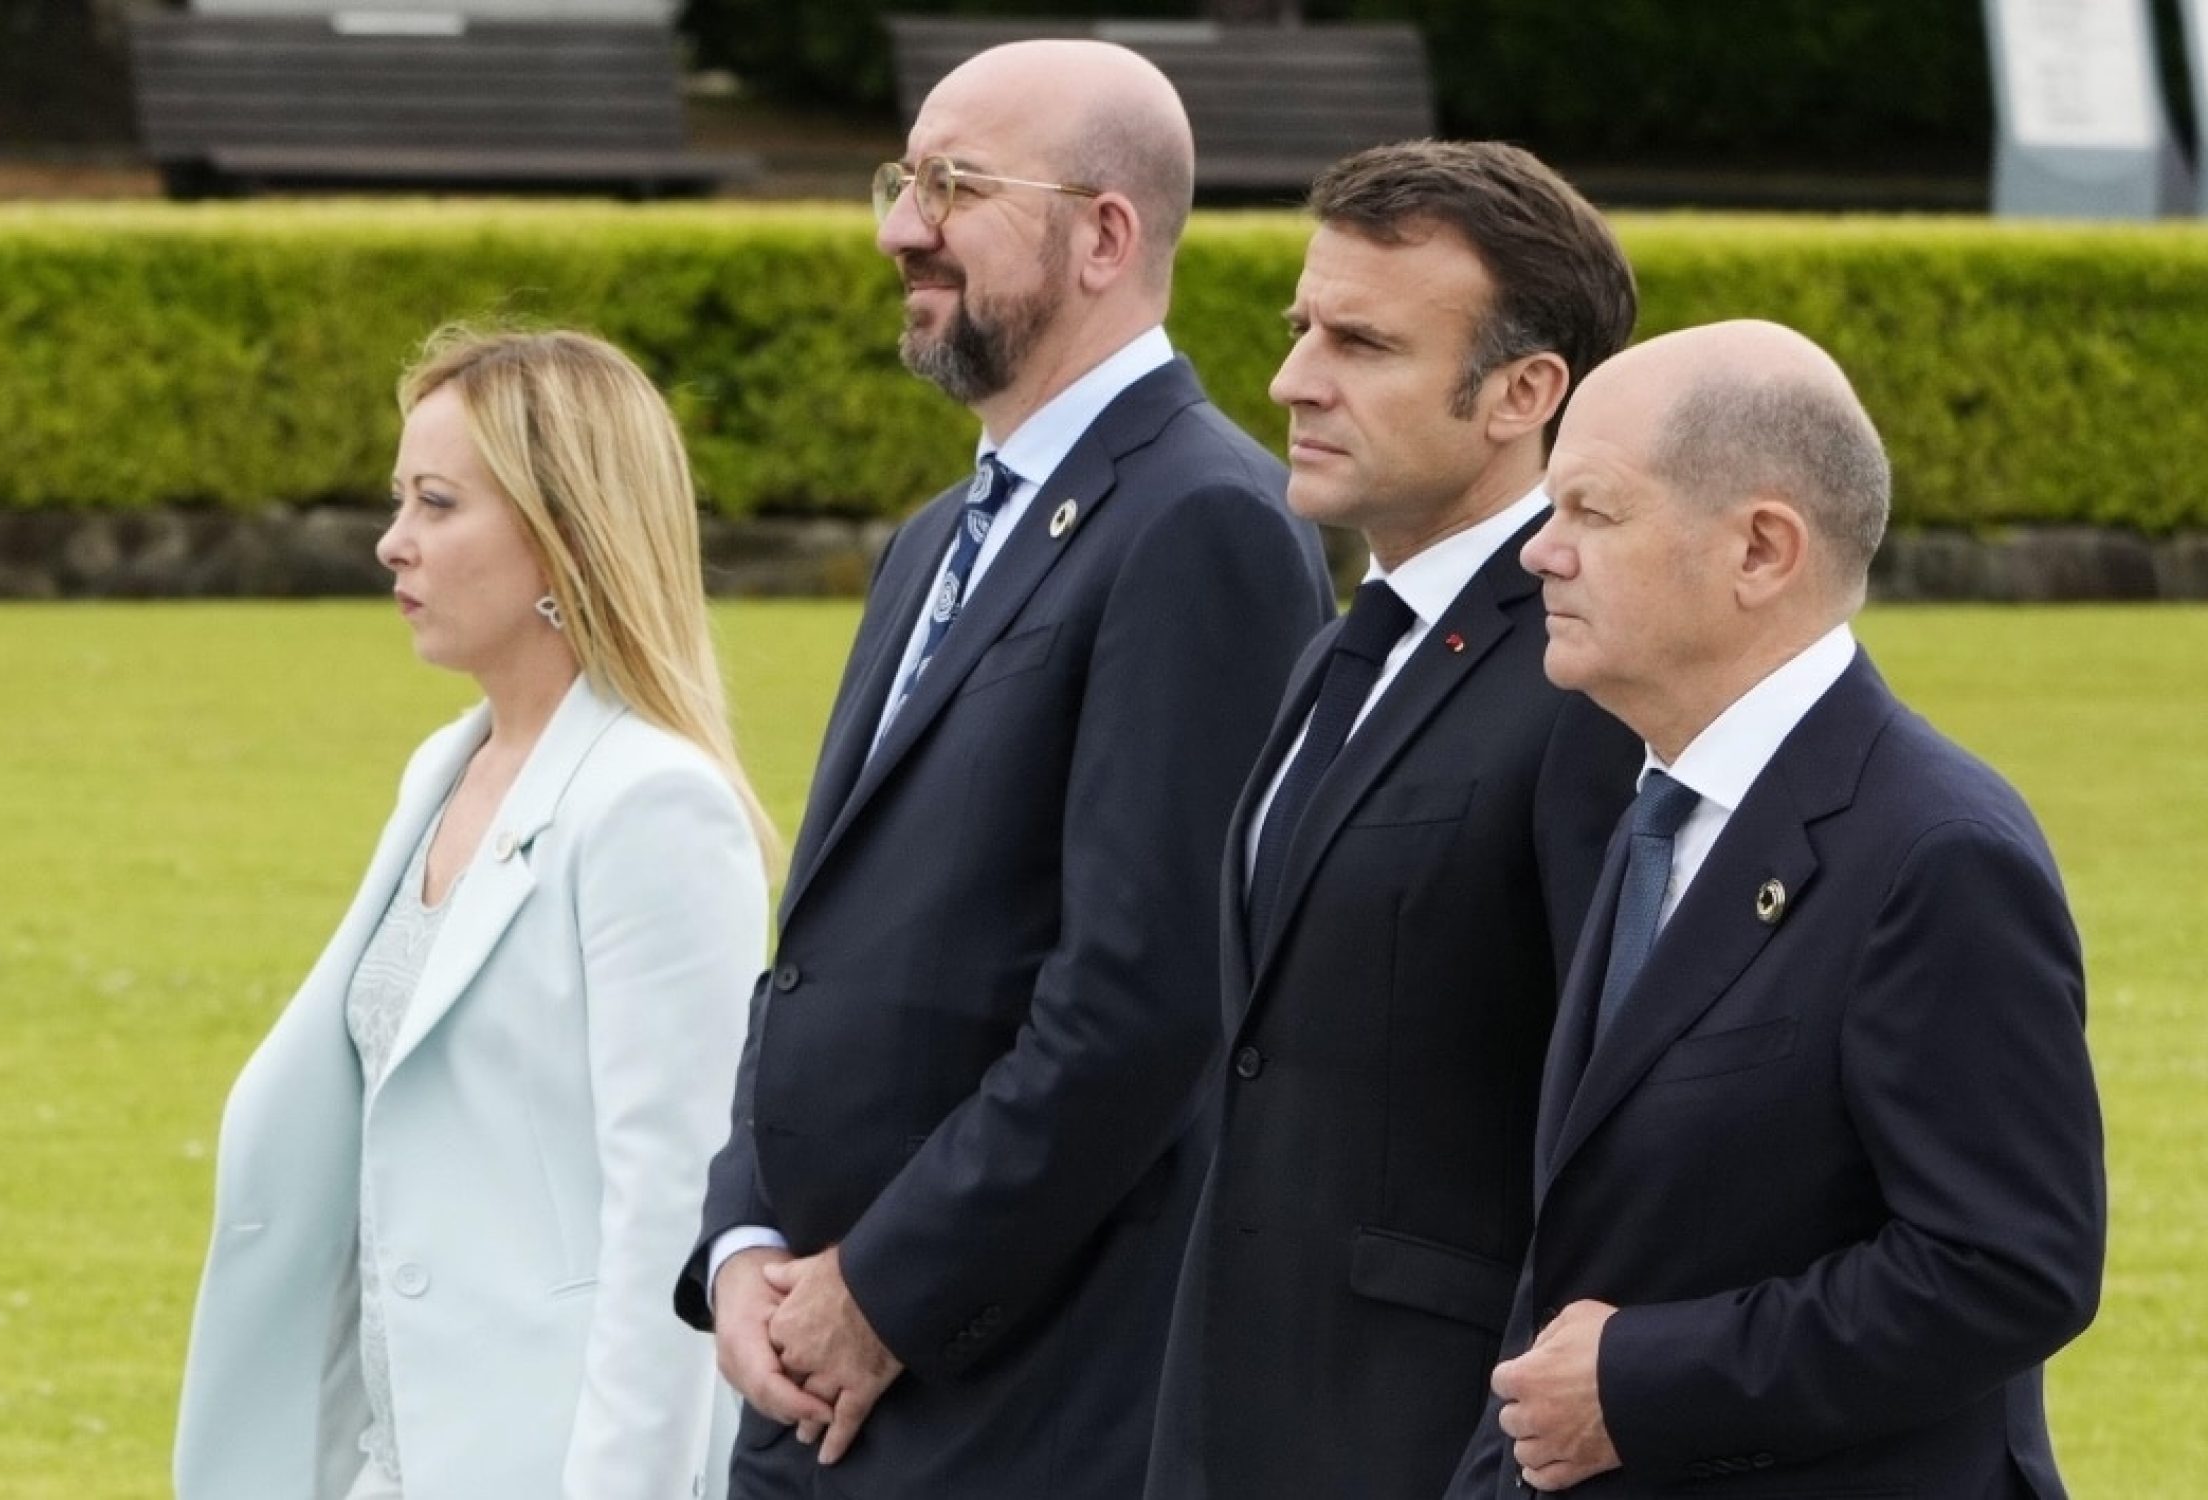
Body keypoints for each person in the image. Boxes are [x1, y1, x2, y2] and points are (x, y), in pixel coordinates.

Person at [673, 38, 1333, 1500]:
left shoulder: (1203, 526)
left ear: (1105, 234)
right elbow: (823, 959)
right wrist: (743, 1243)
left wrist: (886, 1295)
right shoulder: (931, 543)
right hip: (812, 1382)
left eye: (956, 185)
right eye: (901, 180)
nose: (903, 226)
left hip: (1016, 1405)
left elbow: (1145, 1001)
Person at [1451, 319, 2106, 1497]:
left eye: (1592, 514)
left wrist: (1641, 1384)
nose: (1539, 555)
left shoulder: (1937, 852)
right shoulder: (1660, 805)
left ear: (1760, 551)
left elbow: (2010, 1268)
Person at [174, 328, 771, 1500]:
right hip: (387, 1461)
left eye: (437, 503)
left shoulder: (655, 805)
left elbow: (669, 1231)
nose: (392, 541)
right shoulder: (441, 769)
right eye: (399, 498)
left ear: (563, 535)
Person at [1144, 141, 1641, 1500]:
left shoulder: (1589, 674)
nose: (1293, 380)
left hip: (1438, 1440)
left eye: (1361, 343)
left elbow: (1623, 1127)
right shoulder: (1349, 647)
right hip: (1239, 1415)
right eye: (1302, 327)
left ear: (1525, 393)